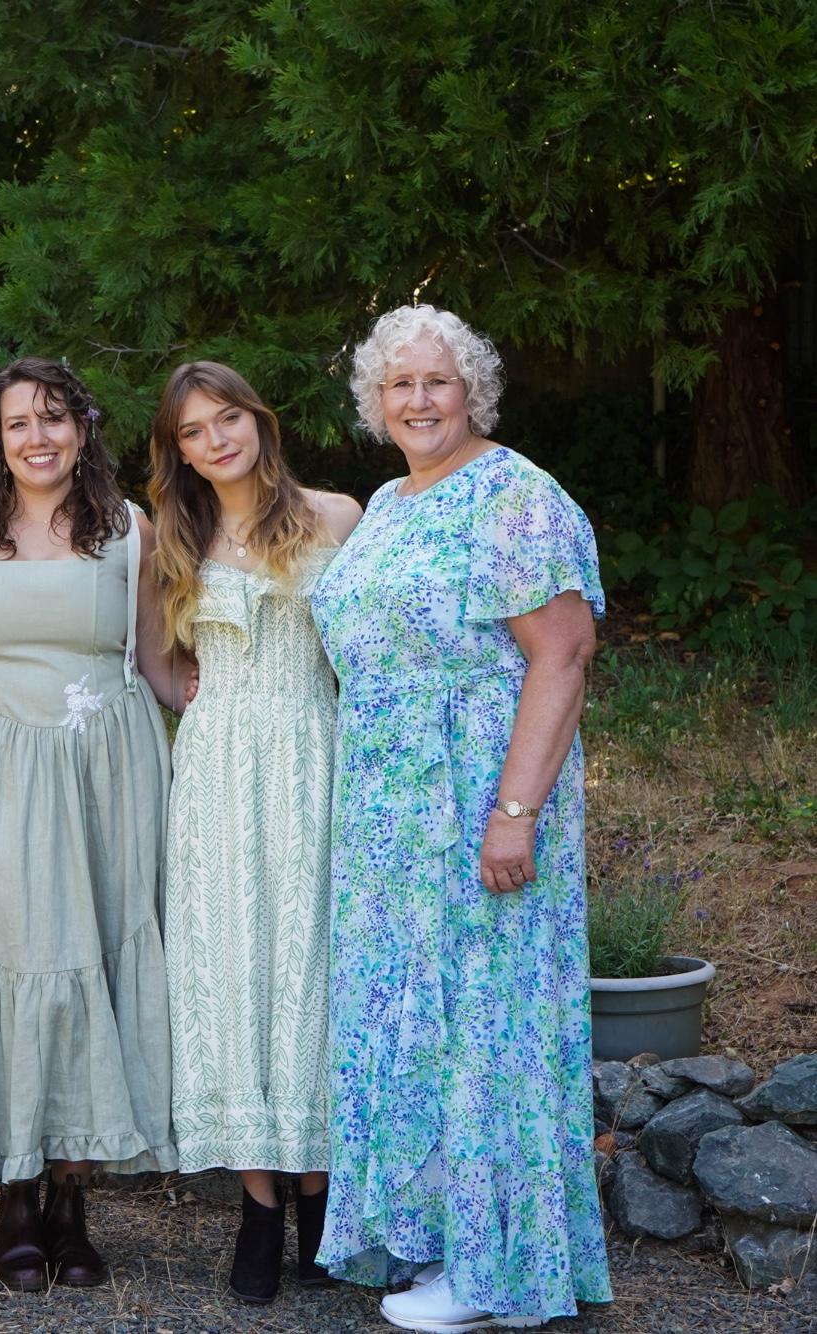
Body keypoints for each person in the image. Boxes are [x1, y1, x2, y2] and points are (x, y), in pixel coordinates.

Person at [310, 305, 613, 1330]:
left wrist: (512, 813)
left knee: (486, 1028)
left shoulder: (514, 496)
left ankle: (501, 1274)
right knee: (414, 1032)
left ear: (470, 389)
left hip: (478, 803)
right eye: (397, 385)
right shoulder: (391, 499)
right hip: (390, 824)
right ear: (374, 401)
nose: (417, 400)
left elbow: (561, 654)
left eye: (436, 381)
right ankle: (440, 1241)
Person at [0, 357, 185, 1292]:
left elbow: (156, 661)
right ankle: (14, 1200)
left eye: (56, 420)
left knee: (95, 961)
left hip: (107, 768)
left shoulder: (129, 533)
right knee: (14, 950)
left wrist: (257, 708)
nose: (39, 438)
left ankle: (73, 1201)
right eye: (19, 423)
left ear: (83, 431)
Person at [148, 361, 361, 1304]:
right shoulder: (173, 534)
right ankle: (257, 1205)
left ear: (258, 422)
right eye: (194, 431)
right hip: (218, 768)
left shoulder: (339, 517)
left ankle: (320, 1197)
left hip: (314, 751)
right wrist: (191, 696)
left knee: (309, 964)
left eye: (226, 418)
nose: (216, 440)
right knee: (232, 967)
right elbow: (156, 660)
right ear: (179, 450)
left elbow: (370, 647)